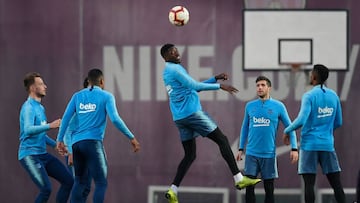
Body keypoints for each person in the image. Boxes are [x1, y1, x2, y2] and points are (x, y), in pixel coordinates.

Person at [160, 43, 261, 203]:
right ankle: (239, 178)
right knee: (222, 140)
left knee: (190, 155)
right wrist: (219, 86)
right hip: (193, 113)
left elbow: (191, 89)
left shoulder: (168, 71)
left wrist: (214, 78)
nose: (177, 53)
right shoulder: (175, 69)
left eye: (176, 50)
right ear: (166, 57)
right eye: (172, 52)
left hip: (180, 118)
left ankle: (173, 190)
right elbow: (194, 86)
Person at [56, 68, 140, 203]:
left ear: (88, 82)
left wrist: (59, 140)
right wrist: (131, 137)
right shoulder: (106, 96)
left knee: (80, 182)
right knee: (101, 183)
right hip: (93, 143)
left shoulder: (77, 96)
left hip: (76, 144)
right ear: (102, 82)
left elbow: (65, 118)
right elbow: (115, 119)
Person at [283, 64, 346, 203]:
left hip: (309, 145)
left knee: (309, 185)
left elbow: (301, 120)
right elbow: (339, 122)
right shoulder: (334, 96)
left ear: (314, 77)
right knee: (336, 184)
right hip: (327, 145)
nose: (310, 76)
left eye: (311, 74)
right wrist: (325, 132)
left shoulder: (309, 95)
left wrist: (287, 130)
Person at [236, 75, 298, 203]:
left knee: (269, 189)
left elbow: (291, 127)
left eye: (263, 85)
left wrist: (294, 148)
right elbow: (244, 128)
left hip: (269, 155)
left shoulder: (278, 106)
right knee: (249, 188)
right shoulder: (250, 106)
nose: (259, 88)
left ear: (269, 88)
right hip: (252, 154)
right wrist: (241, 148)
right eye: (258, 85)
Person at [18, 72, 74, 203]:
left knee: (69, 181)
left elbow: (40, 134)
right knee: (46, 189)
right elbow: (27, 130)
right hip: (29, 155)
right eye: (41, 84)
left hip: (42, 155)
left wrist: (55, 145)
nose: (45, 86)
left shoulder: (40, 108)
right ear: (33, 88)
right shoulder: (28, 108)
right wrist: (50, 125)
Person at [63, 77, 92, 201]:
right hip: (75, 152)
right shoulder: (80, 106)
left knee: (86, 188)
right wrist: (70, 152)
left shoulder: (94, 108)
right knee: (79, 184)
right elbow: (67, 131)